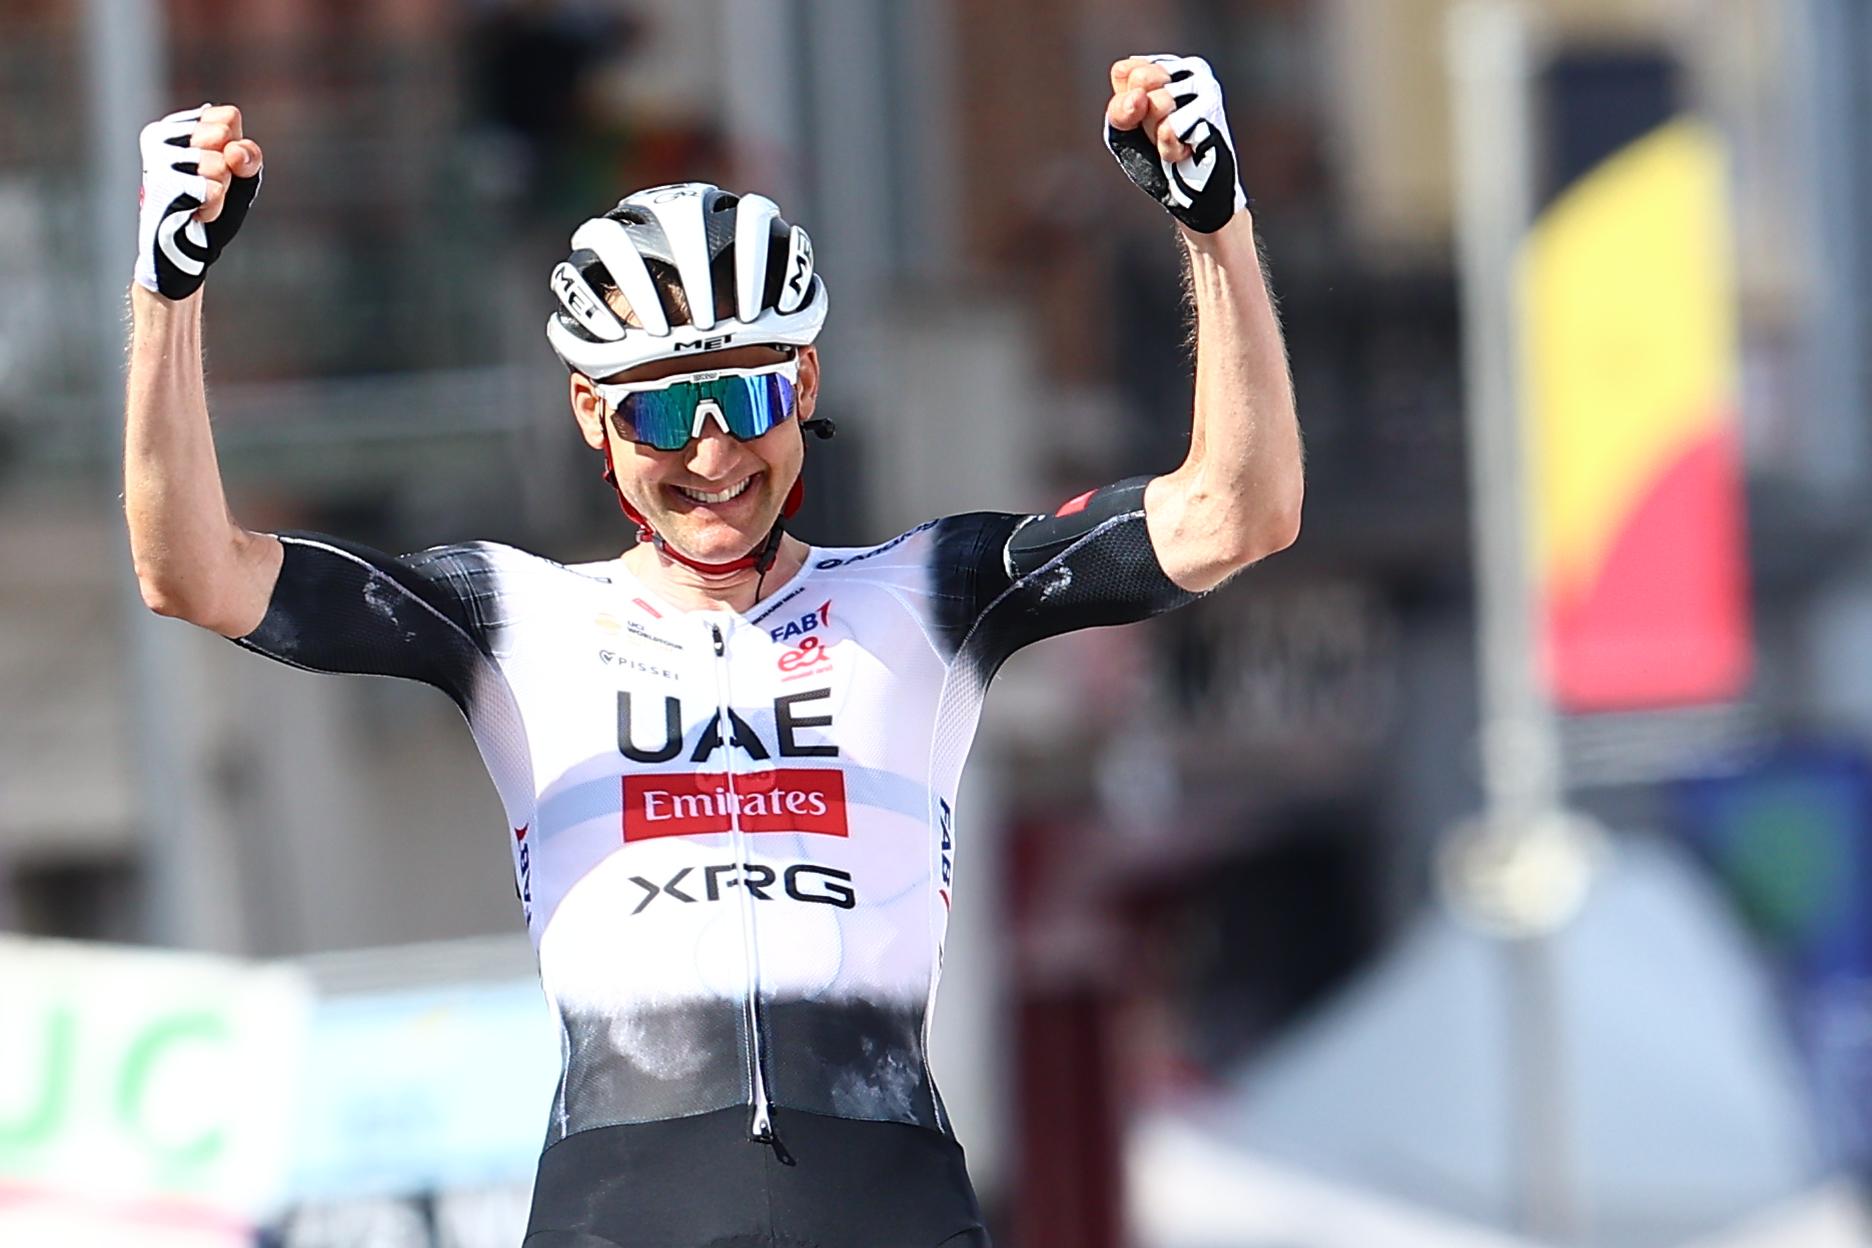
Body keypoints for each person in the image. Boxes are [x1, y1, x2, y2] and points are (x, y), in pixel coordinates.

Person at [125, 53, 1302, 1248]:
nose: (708, 458)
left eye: (741, 403)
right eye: (654, 410)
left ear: (804, 385)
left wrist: (1215, 226)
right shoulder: (508, 618)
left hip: (882, 1197)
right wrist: (169, 296)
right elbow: (194, 570)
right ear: (591, 413)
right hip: (623, 1205)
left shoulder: (930, 593)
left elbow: (1235, 513)